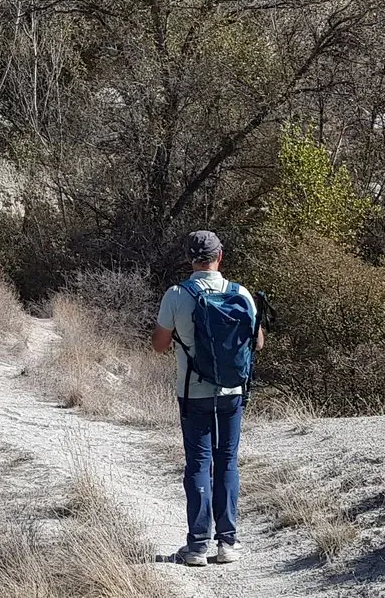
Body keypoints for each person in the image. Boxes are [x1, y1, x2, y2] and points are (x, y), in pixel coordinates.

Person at [151, 230, 262, 567]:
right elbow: (257, 343)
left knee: (199, 464)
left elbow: (158, 346)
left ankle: (197, 546)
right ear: (220, 256)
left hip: (193, 392)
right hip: (232, 392)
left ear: (189, 258)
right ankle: (228, 543)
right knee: (227, 462)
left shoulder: (176, 295)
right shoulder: (240, 293)